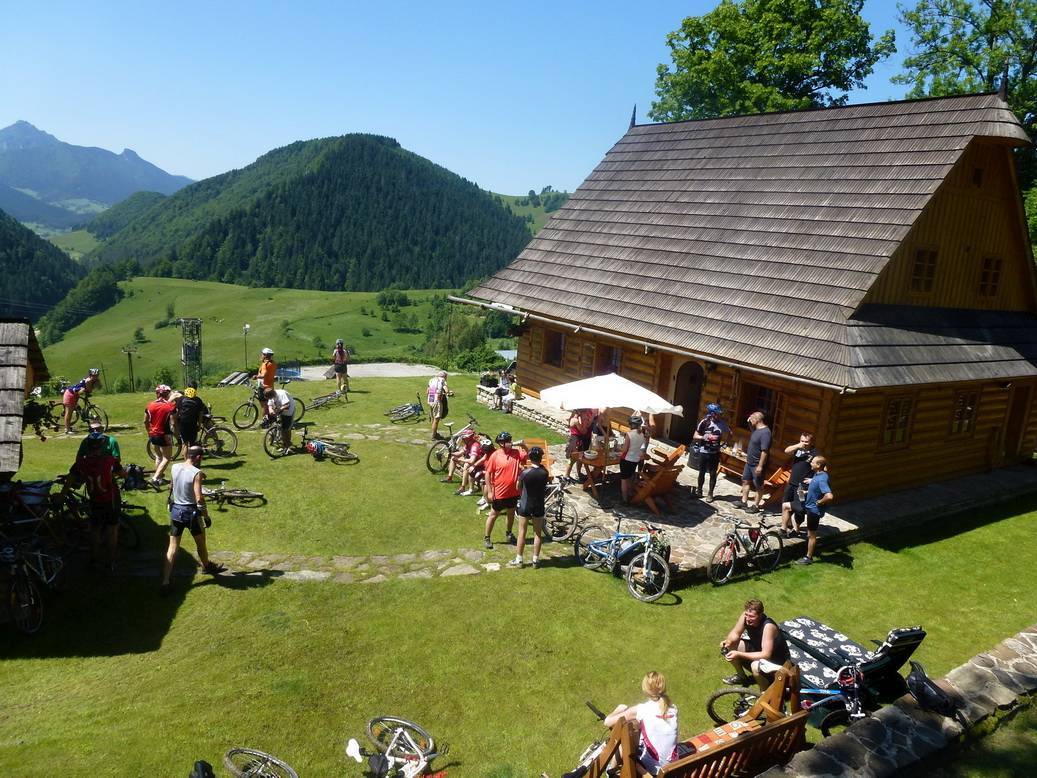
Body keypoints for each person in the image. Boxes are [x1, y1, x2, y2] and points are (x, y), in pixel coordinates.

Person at [161, 445, 225, 593]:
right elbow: (199, 499)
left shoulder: (174, 467)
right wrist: (206, 516)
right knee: (201, 543)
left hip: (176, 511)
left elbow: (172, 485)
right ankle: (207, 566)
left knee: (172, 547)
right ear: (198, 457)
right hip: (191, 514)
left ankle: (165, 582)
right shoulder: (197, 473)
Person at [66, 426, 125, 571]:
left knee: (95, 530)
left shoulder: (81, 463)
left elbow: (70, 478)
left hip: (94, 499)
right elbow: (123, 474)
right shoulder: (110, 461)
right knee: (112, 530)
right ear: (101, 445)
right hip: (110, 499)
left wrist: (62, 495)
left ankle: (94, 559)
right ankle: (111, 561)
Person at [602, 672, 683, 775]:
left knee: (625, 741)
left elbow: (607, 722)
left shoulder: (642, 709)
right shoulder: (673, 708)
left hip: (652, 771)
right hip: (672, 767)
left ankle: (610, 772)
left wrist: (619, 709)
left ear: (645, 689)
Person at [720, 598, 792, 690]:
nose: (748, 619)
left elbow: (766, 655)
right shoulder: (745, 617)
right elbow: (736, 633)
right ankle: (742, 676)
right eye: (746, 615)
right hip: (759, 649)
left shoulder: (768, 627)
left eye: (751, 617)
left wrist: (738, 654)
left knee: (755, 666)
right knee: (730, 647)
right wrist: (728, 642)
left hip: (777, 661)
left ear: (760, 615)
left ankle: (764, 692)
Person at [483, 431, 527, 548]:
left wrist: (523, 446)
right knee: (493, 515)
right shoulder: (495, 455)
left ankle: (509, 533)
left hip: (513, 492)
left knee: (511, 514)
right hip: (500, 493)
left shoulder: (516, 453)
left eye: (510, 440)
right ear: (501, 443)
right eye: (508, 441)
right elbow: (487, 474)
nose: (510, 443)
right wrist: (490, 491)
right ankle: (487, 537)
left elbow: (528, 456)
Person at [508, 446, 549, 568]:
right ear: (540, 458)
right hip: (539, 505)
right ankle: (535, 560)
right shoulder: (545, 473)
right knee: (538, 533)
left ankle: (519, 559)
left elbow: (518, 487)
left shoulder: (525, 473)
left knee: (522, 532)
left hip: (526, 504)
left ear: (530, 458)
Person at [781, 433, 819, 537]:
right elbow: (786, 451)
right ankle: (786, 527)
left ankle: (796, 528)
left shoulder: (815, 454)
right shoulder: (798, 448)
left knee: (799, 509)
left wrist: (813, 480)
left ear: (812, 442)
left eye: (806, 442)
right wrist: (798, 445)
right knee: (785, 503)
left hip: (802, 487)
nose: (804, 443)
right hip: (791, 483)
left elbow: (824, 470)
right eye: (802, 441)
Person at [797, 456, 833, 565]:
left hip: (814, 511)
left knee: (811, 535)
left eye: (812, 462)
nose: (810, 463)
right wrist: (806, 492)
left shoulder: (821, 479)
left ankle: (808, 557)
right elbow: (817, 489)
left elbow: (829, 496)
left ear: (818, 465)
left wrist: (820, 502)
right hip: (809, 507)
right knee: (788, 507)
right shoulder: (818, 475)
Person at [692, 403, 730, 502]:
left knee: (713, 474)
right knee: (702, 472)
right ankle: (699, 491)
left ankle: (710, 494)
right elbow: (695, 435)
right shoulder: (704, 422)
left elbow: (730, 433)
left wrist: (724, 444)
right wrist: (704, 437)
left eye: (720, 413)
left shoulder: (722, 424)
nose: (719, 415)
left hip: (715, 453)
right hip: (704, 451)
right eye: (717, 413)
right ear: (712, 413)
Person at [145, 384, 177, 486]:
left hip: (153, 434)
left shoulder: (150, 405)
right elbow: (173, 423)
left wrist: (149, 432)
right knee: (167, 458)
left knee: (159, 457)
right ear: (167, 394)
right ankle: (155, 479)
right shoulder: (170, 406)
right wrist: (176, 434)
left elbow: (145, 421)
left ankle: (159, 479)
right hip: (164, 434)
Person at [741, 411, 771, 512]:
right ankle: (743, 501)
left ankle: (756, 506)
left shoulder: (766, 433)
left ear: (757, 420)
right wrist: (749, 422)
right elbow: (753, 432)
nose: (750, 420)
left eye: (752, 418)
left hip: (757, 464)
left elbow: (764, 451)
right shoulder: (756, 430)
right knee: (745, 480)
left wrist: (760, 466)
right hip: (749, 462)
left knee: (758, 485)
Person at [62, 368, 101, 434]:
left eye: (97, 375)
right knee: (69, 412)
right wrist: (93, 387)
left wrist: (97, 383)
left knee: (76, 410)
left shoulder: (94, 380)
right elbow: (89, 390)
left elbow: (99, 387)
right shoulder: (88, 381)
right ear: (90, 375)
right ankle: (67, 429)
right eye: (94, 376)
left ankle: (87, 421)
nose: (95, 377)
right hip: (70, 394)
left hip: (76, 394)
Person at [619, 415, 647, 503]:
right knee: (630, 477)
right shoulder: (642, 435)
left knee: (624, 480)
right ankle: (630, 493)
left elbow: (624, 450)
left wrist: (619, 448)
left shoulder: (629, 434)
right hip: (635, 459)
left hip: (626, 459)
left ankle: (625, 500)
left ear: (631, 424)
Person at [175, 381, 208, 453]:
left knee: (185, 444)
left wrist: (175, 422)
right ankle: (193, 458)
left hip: (183, 423)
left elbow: (177, 412)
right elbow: (200, 414)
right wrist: (199, 425)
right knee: (192, 444)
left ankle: (186, 459)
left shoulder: (181, 399)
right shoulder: (198, 400)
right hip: (193, 423)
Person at [563, 408, 592, 484]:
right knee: (573, 458)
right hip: (576, 440)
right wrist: (585, 424)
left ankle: (576, 474)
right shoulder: (575, 420)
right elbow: (583, 431)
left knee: (579, 458)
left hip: (575, 439)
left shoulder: (573, 419)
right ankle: (566, 475)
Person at [264, 386, 296, 453]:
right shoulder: (271, 395)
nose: (270, 399)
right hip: (280, 409)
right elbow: (270, 405)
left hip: (288, 411)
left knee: (286, 429)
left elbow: (287, 405)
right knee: (280, 427)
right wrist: (271, 410)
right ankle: (284, 444)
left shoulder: (281, 394)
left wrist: (278, 410)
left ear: (273, 394)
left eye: (270, 397)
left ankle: (288, 446)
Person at [427, 370, 451, 440]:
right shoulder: (442, 380)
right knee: (436, 419)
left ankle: (435, 433)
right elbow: (446, 390)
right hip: (437, 400)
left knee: (433, 418)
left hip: (430, 399)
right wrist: (448, 392)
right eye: (446, 377)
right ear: (444, 376)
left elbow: (427, 391)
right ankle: (434, 436)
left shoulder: (431, 380)